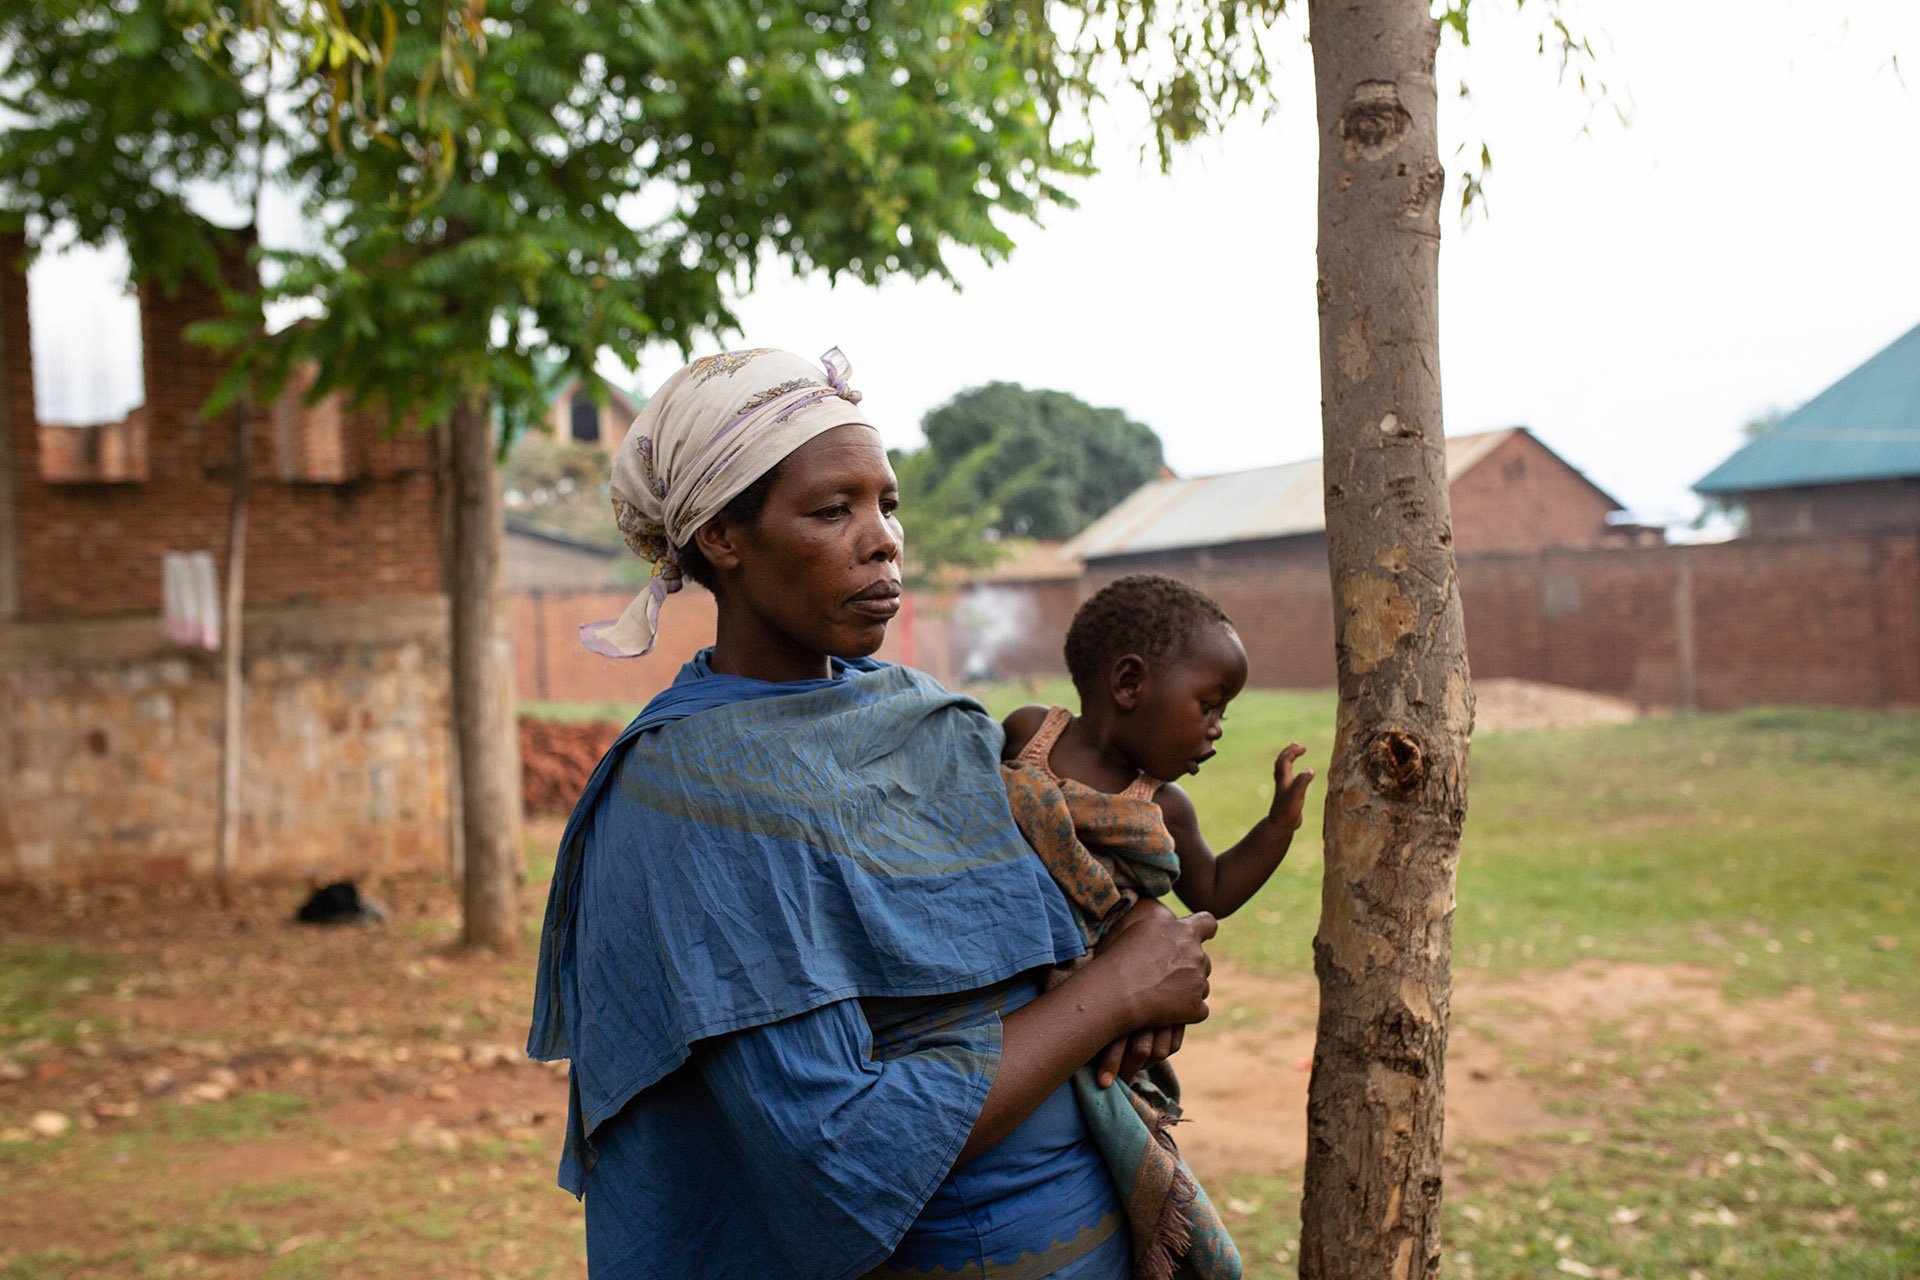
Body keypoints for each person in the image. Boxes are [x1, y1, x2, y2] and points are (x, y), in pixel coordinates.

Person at [527, 348, 1220, 1280]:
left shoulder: (923, 717)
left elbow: (1070, 882)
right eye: (831, 509)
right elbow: (839, 1150)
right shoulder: (685, 803)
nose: (884, 537)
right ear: (725, 537)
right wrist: (1114, 998)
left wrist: (1137, 935)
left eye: (886, 503)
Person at [998, 573, 1317, 1279]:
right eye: (1209, 704)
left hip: (1095, 997)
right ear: (1131, 683)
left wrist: (1276, 827)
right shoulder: (1025, 735)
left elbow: (1214, 890)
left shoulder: (1163, 807)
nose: (1218, 728)